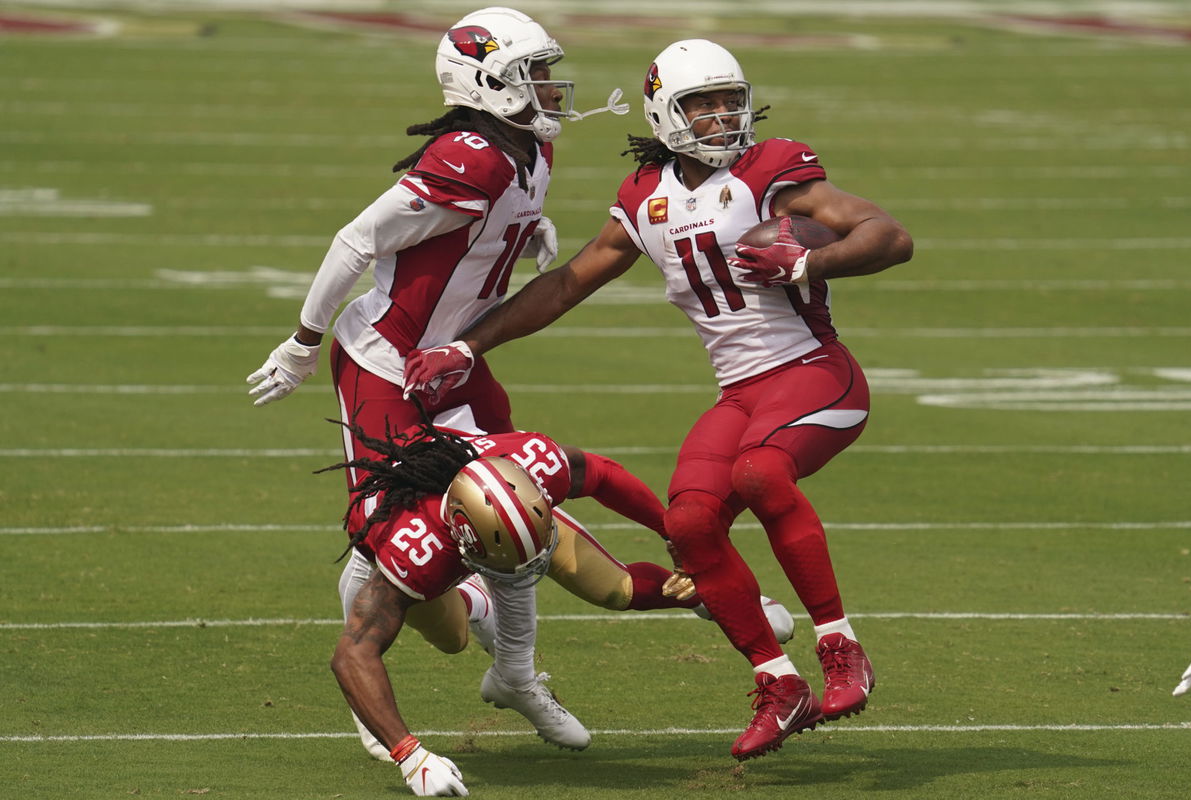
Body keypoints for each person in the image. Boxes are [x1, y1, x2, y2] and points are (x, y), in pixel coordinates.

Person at [403, 38, 914, 762]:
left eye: (729, 99)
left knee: (761, 475)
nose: (720, 116)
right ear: (665, 112)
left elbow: (889, 235)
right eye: (700, 104)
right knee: (690, 521)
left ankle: (840, 647)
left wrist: (811, 260)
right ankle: (778, 682)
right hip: (740, 392)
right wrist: (468, 346)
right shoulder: (647, 196)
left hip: (812, 371)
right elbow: (567, 283)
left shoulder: (772, 168)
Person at [243, 7, 626, 753]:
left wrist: (526, 229)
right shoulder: (470, 157)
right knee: (382, 538)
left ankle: (516, 673)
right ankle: (372, 689)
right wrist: (300, 342)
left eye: (545, 72)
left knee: (516, 507)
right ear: (485, 85)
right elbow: (355, 240)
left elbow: (484, 227)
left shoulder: (529, 150)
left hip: (454, 360)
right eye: (530, 76)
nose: (548, 88)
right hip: (389, 363)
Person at [327, 407, 794, 796]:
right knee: (452, 638)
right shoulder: (414, 552)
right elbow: (352, 655)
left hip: (495, 517)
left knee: (614, 587)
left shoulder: (532, 465)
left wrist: (673, 535)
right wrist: (411, 756)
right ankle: (474, 603)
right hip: (412, 546)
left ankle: (707, 597)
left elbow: (603, 474)